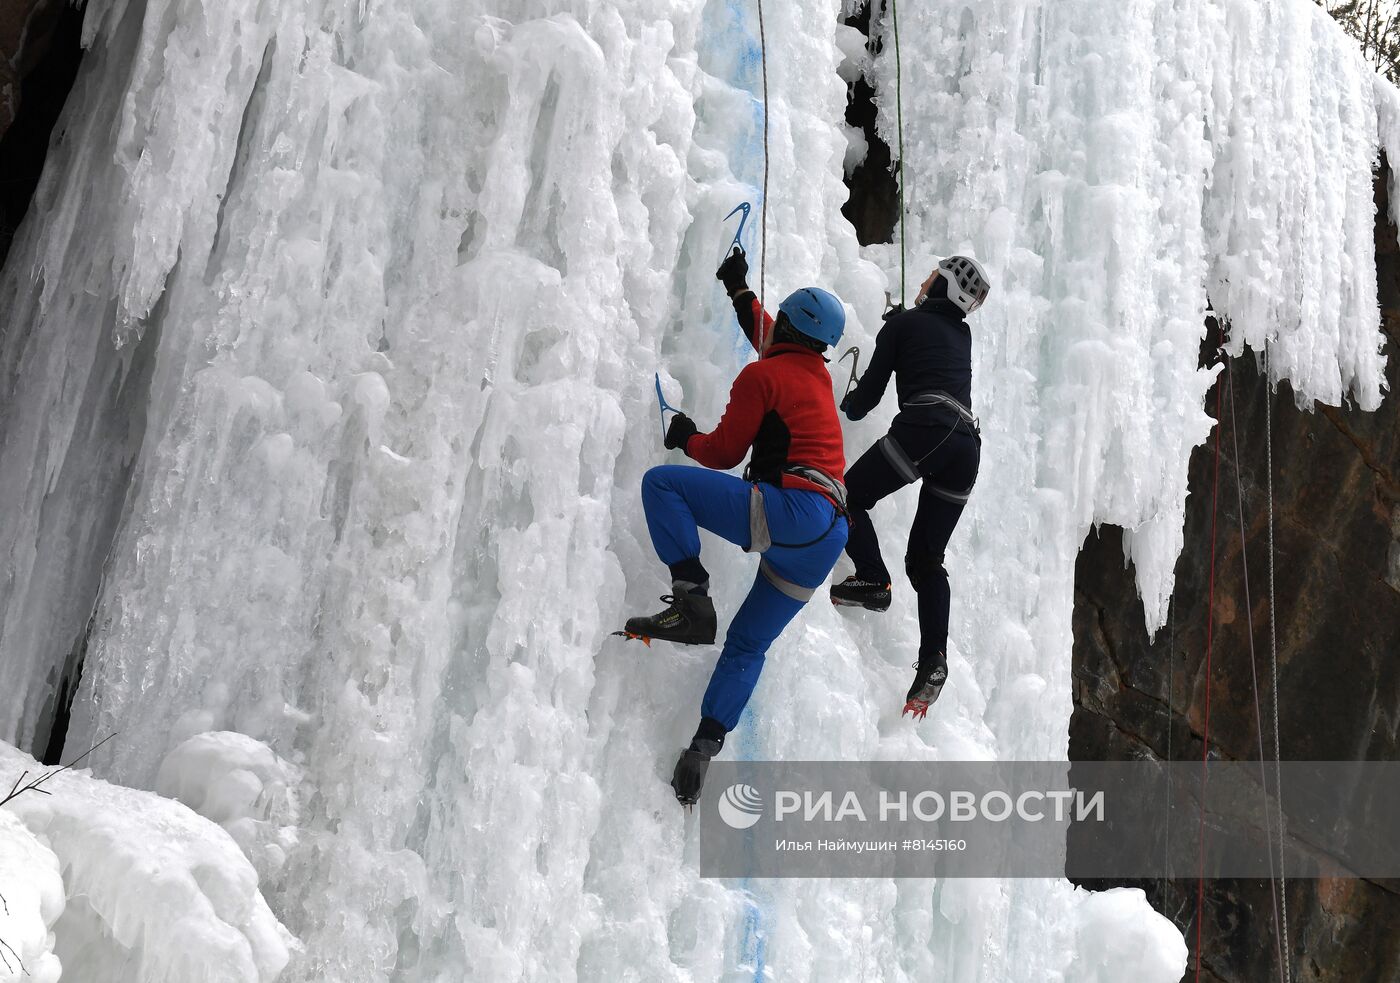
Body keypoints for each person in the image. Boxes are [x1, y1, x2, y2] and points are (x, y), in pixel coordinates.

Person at [623, 247, 849, 805]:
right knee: (747, 645)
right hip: (825, 537)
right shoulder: (815, 375)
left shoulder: (762, 377)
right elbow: (773, 337)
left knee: (662, 484)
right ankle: (703, 746)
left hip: (790, 511)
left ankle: (691, 599)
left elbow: (723, 454)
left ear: (791, 326)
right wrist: (738, 289)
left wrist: (685, 437)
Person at [830, 255, 990, 718]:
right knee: (925, 561)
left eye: (932, 276)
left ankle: (873, 578)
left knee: (848, 494)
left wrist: (850, 397)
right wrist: (900, 328)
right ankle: (933, 662)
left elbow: (865, 403)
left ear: (942, 285)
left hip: (928, 427)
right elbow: (929, 342)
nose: (924, 280)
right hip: (966, 448)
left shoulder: (903, 327)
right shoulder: (962, 332)